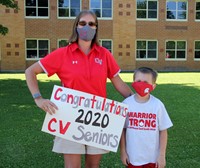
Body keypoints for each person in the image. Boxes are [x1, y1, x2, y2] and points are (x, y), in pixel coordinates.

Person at [25, 10, 133, 168]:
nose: (87, 27)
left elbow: (119, 83)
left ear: (96, 28)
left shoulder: (104, 54)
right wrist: (38, 98)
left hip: (97, 119)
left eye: (91, 24)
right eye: (83, 23)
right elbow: (30, 71)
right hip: (69, 117)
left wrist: (138, 101)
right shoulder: (62, 54)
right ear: (76, 26)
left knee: (93, 166)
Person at [120, 67, 173, 168]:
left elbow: (163, 131)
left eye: (145, 82)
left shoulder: (157, 105)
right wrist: (123, 151)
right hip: (133, 157)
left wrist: (162, 155)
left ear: (153, 86)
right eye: (138, 81)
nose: (141, 84)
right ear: (133, 82)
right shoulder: (126, 104)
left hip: (153, 158)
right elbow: (122, 130)